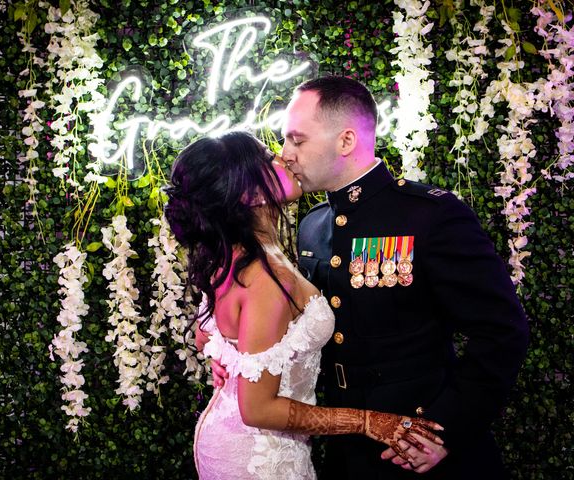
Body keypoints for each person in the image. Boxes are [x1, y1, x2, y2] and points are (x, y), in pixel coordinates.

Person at [277, 76, 528, 478]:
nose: (285, 153)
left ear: (345, 141)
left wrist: (443, 432)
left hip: (419, 447)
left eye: (296, 139)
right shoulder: (313, 227)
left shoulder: (430, 215)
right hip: (347, 449)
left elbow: (501, 332)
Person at [164, 131, 444, 480]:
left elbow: (214, 330)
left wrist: (222, 354)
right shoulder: (265, 276)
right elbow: (258, 410)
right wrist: (369, 421)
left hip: (247, 438)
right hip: (257, 455)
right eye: (270, 158)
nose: (284, 157)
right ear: (248, 194)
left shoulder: (234, 253)